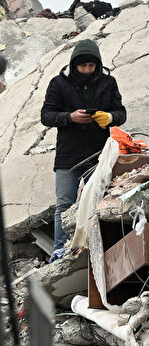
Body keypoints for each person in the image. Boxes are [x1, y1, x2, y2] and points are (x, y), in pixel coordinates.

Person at [40, 39, 127, 256]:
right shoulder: (58, 83)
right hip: (68, 155)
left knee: (97, 202)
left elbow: (121, 113)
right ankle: (60, 250)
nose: (87, 70)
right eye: (82, 66)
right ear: (73, 65)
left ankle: (96, 248)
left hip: (98, 153)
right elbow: (46, 115)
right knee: (64, 204)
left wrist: (109, 117)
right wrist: (70, 117)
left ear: (97, 64)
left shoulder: (108, 82)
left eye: (91, 66)